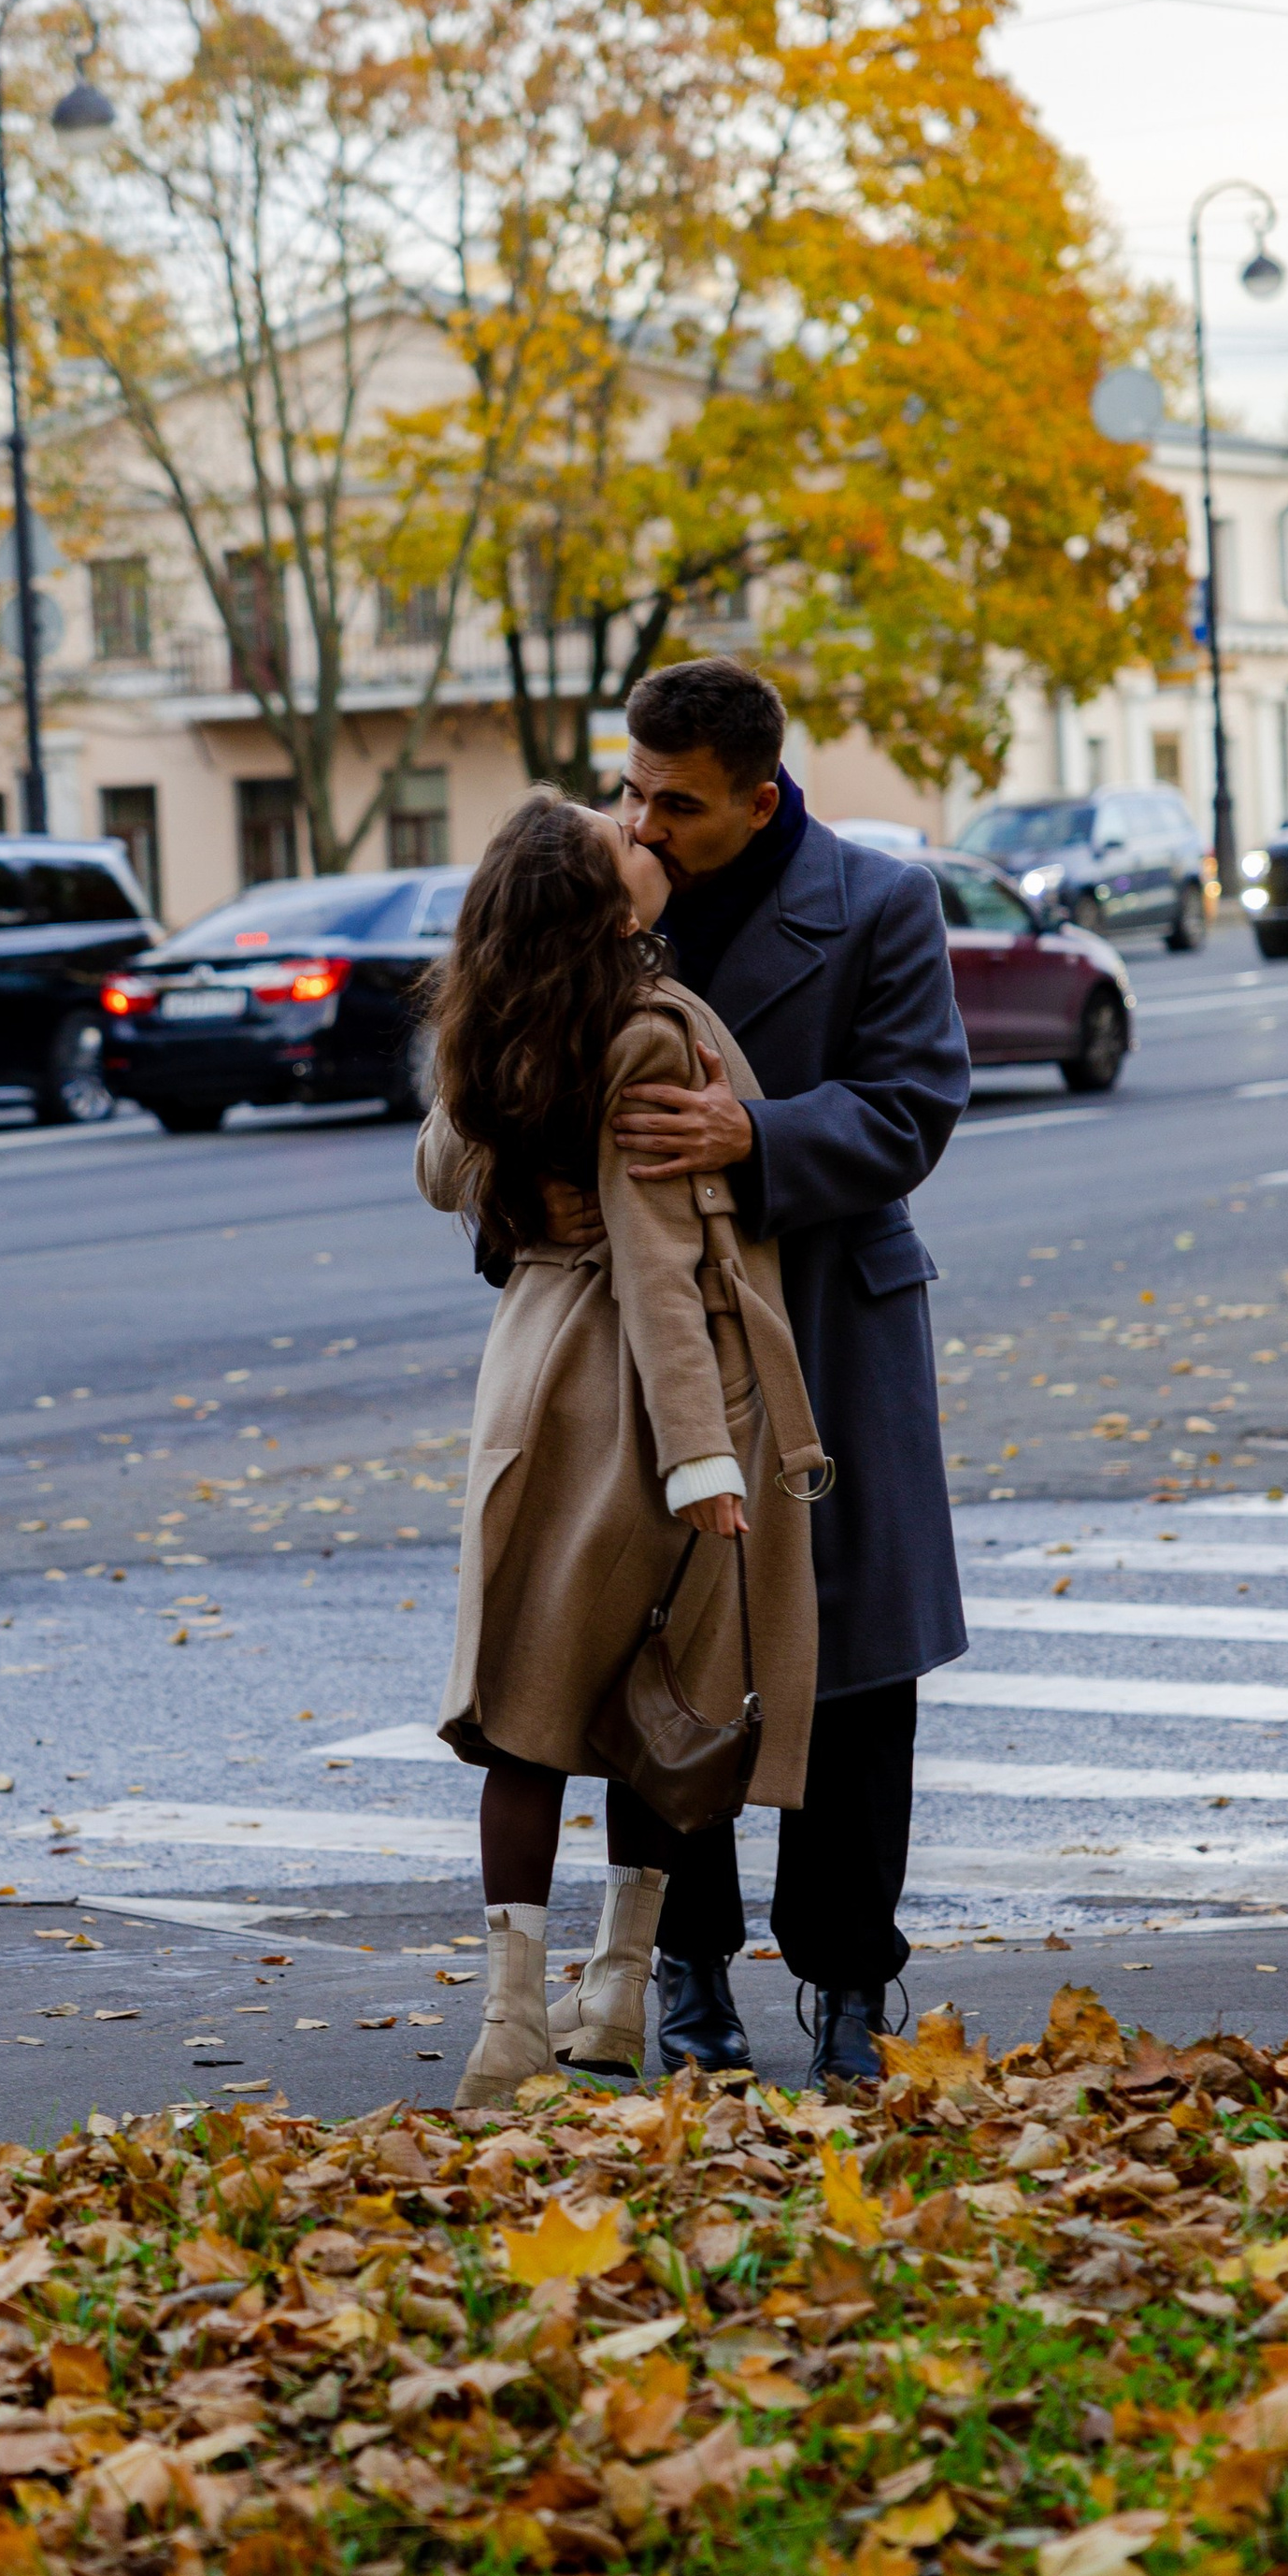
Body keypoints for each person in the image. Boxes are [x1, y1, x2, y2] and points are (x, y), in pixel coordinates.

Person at [543, 656, 967, 2083]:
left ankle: (850, 1979)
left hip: (835, 1326)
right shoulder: (607, 908)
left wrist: (758, 1140)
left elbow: (917, 1103)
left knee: (850, 1670)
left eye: (679, 804)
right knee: (667, 1650)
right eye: (630, 791)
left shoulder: (881, 904)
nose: (644, 825)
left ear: (762, 799)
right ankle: (688, 1969)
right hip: (658, 1341)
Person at [415, 786, 826, 2106]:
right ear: (600, 906)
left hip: (528, 1372)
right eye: (624, 842)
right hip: (645, 1391)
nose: (646, 838)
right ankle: (615, 1998)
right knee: (667, 1688)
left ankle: (509, 2027)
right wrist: (703, 1458)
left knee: (529, 1705)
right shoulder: (645, 1028)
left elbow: (440, 1163)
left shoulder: (494, 1017)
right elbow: (657, 1262)